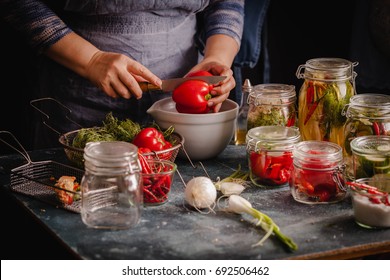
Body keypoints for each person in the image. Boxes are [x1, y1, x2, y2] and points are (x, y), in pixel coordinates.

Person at [0, 0, 244, 149]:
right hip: (80, 99)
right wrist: (91, 60)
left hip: (180, 113)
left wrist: (217, 58)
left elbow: (226, 1)